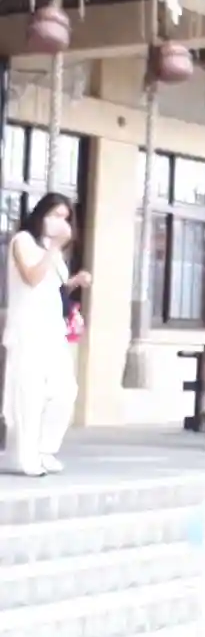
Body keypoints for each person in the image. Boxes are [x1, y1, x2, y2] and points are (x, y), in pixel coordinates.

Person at [2, 193, 90, 477]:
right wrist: (53, 249)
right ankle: (26, 457)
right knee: (29, 394)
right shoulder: (23, 241)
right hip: (28, 329)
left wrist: (74, 282)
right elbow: (31, 278)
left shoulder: (51, 250)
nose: (60, 222)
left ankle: (45, 449)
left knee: (65, 390)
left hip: (53, 330)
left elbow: (52, 289)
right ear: (40, 214)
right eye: (55, 215)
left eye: (65, 218)